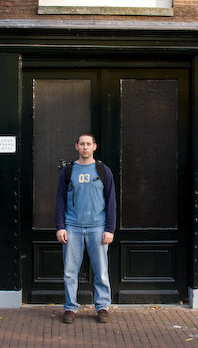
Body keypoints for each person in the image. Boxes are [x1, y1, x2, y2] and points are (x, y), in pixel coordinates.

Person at [55, 132, 116, 324]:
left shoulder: (103, 171)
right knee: (70, 272)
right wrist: (60, 227)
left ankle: (102, 307)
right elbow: (60, 201)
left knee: (101, 271)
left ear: (94, 147)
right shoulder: (68, 171)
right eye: (82, 144)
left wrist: (110, 229)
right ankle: (70, 308)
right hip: (72, 227)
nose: (85, 147)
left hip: (97, 228)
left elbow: (111, 201)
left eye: (88, 144)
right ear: (76, 147)